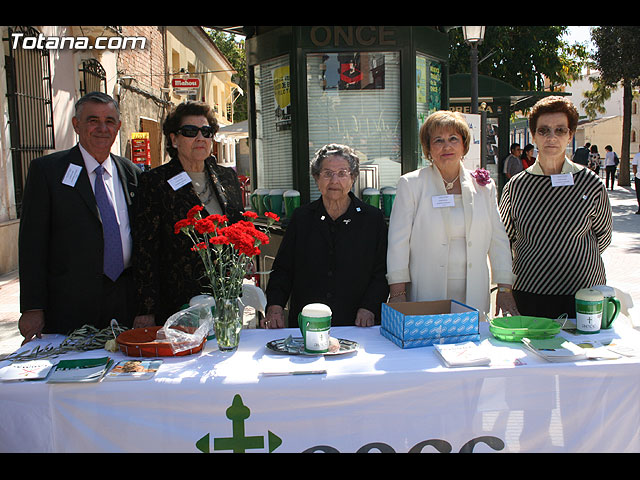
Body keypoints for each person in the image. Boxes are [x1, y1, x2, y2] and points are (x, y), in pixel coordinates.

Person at [18, 92, 142, 344]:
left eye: (109, 121)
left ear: (118, 126)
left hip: (125, 302)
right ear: (76, 125)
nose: (102, 128)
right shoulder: (48, 172)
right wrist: (32, 307)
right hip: (70, 306)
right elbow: (32, 244)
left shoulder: (130, 172)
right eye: (92, 120)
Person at [386, 111, 518, 318]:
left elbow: (498, 239)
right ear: (428, 148)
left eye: (453, 139)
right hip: (426, 289)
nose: (446, 146)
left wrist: (504, 288)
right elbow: (398, 241)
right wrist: (398, 292)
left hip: (473, 290)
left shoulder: (484, 186)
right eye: (438, 140)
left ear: (464, 145)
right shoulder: (411, 184)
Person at [132, 101, 245, 327]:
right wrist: (146, 309)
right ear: (174, 140)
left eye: (206, 132)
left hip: (224, 296)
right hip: (177, 301)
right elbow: (145, 249)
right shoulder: (154, 182)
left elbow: (238, 231)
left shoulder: (227, 178)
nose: (200, 138)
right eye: (190, 132)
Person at [499, 96, 612, 319]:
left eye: (560, 130)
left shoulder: (591, 183)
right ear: (533, 135)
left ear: (570, 135)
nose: (552, 137)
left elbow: (603, 237)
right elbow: (504, 239)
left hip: (584, 294)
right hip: (530, 292)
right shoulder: (516, 186)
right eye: (544, 131)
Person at [263, 144, 389, 328]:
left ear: (353, 178)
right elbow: (283, 269)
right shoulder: (302, 218)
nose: (334, 180)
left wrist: (369, 307)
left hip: (358, 323)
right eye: (327, 173)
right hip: (307, 323)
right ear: (317, 178)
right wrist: (275, 307)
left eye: (342, 173)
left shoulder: (372, 219)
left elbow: (382, 271)